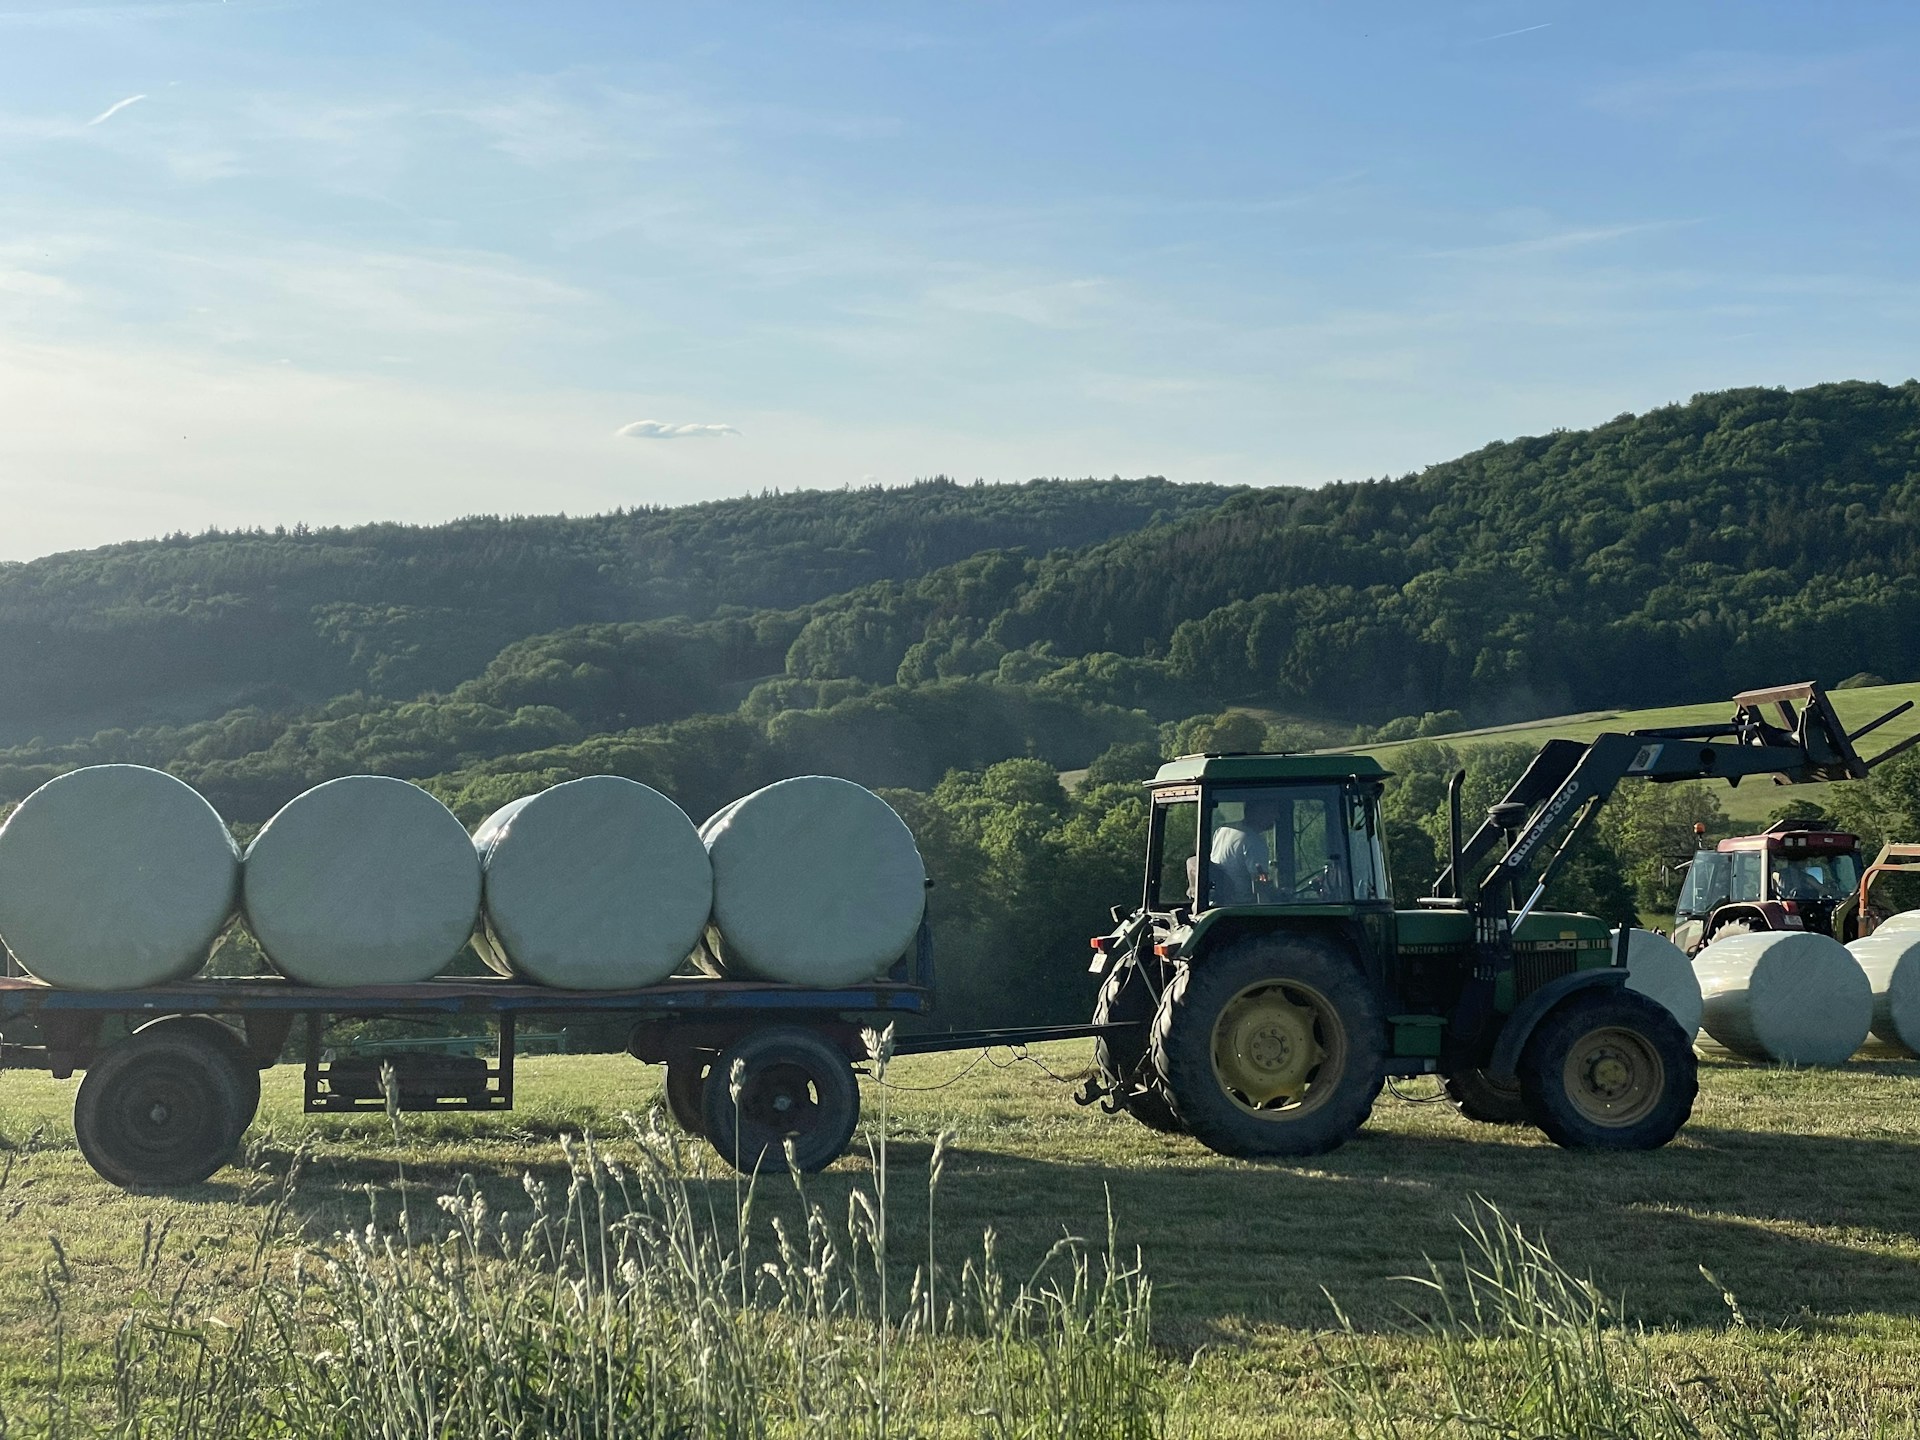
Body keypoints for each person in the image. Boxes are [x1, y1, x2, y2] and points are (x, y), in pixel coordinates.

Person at [1209, 798, 1281, 905]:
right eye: (1272, 811)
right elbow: (1260, 884)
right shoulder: (1254, 840)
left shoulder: (1223, 830)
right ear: (1258, 812)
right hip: (1243, 904)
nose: (1276, 817)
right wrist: (1278, 894)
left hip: (1220, 901)